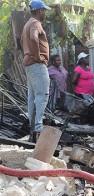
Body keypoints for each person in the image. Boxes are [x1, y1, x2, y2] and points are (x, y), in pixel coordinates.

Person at [20, 0, 51, 141]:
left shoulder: (27, 24)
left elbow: (22, 41)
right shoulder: (35, 23)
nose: (45, 13)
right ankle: (38, 130)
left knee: (32, 98)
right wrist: (38, 56)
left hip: (29, 65)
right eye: (44, 10)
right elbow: (33, 37)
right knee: (42, 96)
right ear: (39, 11)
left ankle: (33, 131)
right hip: (37, 65)